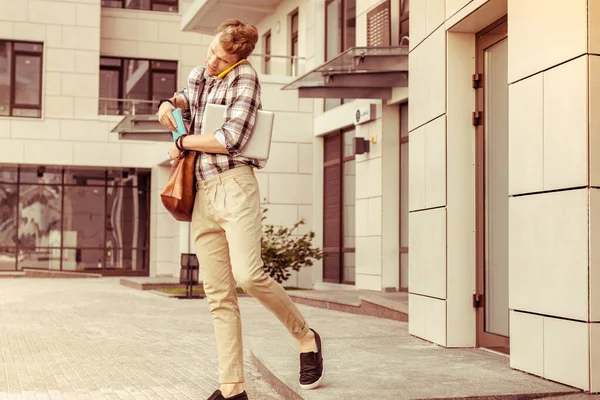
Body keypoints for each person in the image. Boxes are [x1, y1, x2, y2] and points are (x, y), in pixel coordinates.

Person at [157, 19, 324, 400]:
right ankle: (232, 389)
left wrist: (182, 141)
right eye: (212, 49)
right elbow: (186, 97)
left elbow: (230, 138)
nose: (211, 59)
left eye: (220, 56)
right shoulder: (201, 73)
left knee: (248, 275)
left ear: (239, 57)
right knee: (217, 293)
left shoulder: (246, 80)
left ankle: (304, 335)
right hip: (201, 193)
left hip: (234, 187)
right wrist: (168, 104)